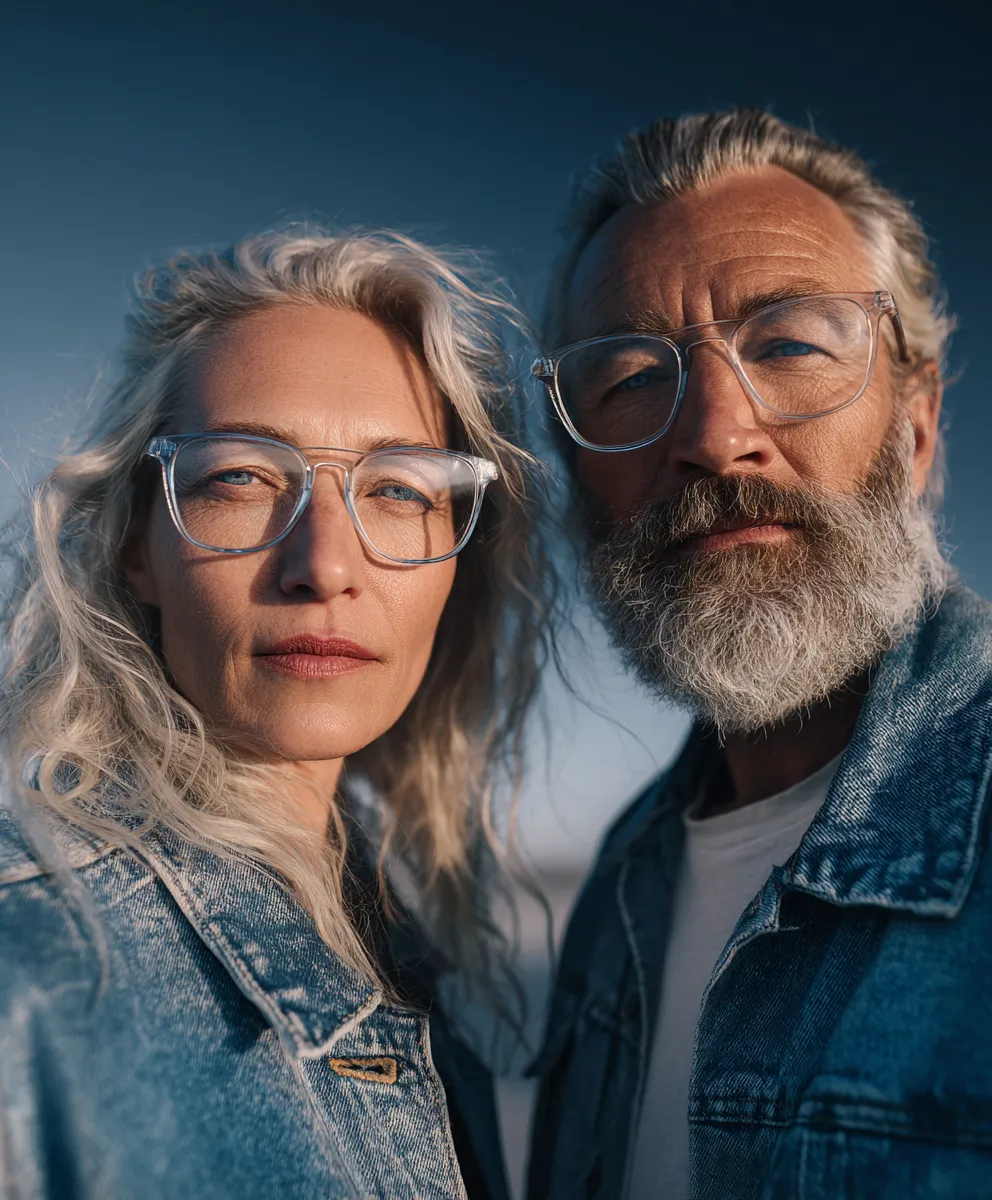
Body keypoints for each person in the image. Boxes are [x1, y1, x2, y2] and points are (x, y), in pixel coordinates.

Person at [0, 229, 548, 1199]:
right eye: (240, 478)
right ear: (135, 545)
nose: (323, 565)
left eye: (397, 489)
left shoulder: (397, 941)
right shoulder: (29, 950)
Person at [527, 108, 992, 1199]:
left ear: (917, 429)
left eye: (787, 346)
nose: (712, 434)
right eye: (632, 378)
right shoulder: (621, 884)